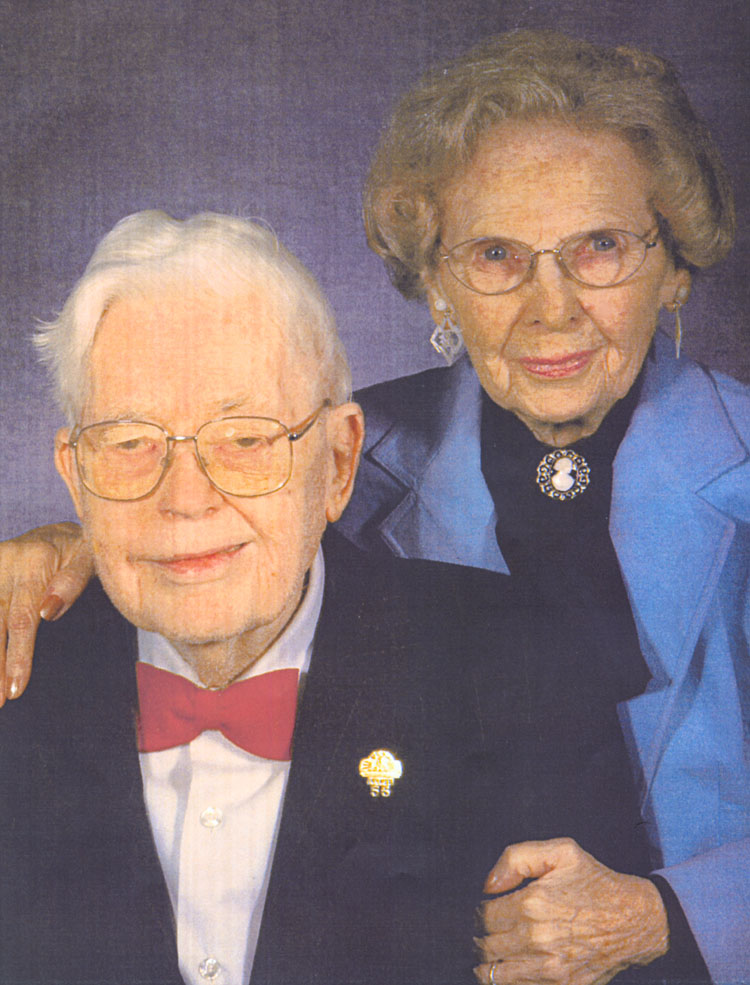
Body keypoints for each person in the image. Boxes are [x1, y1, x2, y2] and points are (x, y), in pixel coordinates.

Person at [0, 31, 747, 984]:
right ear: (437, 282)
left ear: (674, 263)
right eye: (496, 253)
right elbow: (216, 497)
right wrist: (79, 542)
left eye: (600, 246)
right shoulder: (345, 447)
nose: (552, 306)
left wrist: (667, 915)